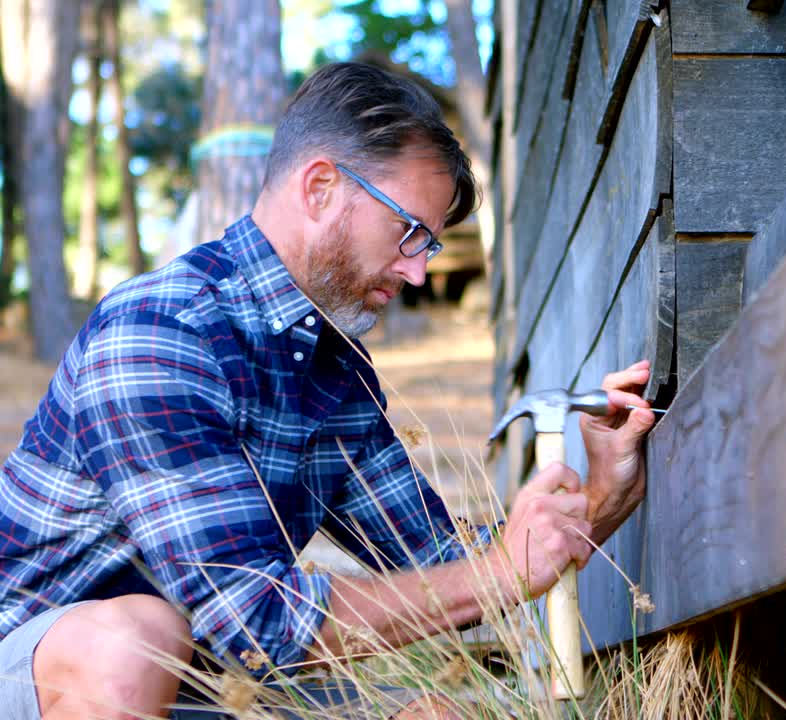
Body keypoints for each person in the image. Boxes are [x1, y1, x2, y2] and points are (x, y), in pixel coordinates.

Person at [0, 62, 657, 719]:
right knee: (132, 642)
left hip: (209, 689)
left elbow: (448, 562)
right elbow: (257, 626)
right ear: (319, 187)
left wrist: (597, 499)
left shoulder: (334, 369)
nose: (420, 272)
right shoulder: (161, 333)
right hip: (43, 671)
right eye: (410, 233)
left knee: (437, 715)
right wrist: (498, 572)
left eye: (428, 244)